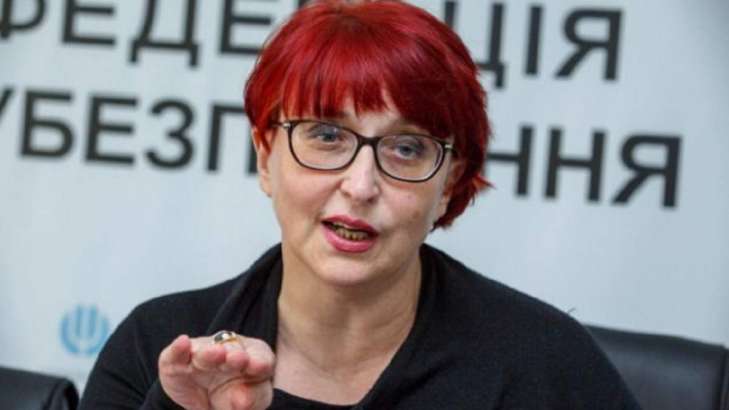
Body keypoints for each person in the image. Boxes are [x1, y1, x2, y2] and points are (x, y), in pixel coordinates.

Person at [80, 1, 640, 409]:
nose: (361, 184)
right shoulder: (159, 349)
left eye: (406, 148)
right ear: (265, 156)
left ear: (449, 182)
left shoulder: (547, 367)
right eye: (327, 136)